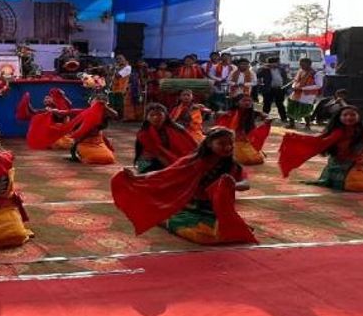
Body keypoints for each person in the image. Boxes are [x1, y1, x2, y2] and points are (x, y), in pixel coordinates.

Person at [111, 127, 258, 245]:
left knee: (236, 232)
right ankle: (165, 219)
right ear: (209, 144)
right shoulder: (194, 161)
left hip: (216, 209)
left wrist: (233, 185)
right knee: (204, 237)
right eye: (221, 144)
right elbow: (167, 173)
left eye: (230, 144)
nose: (228, 147)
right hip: (192, 207)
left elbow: (246, 184)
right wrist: (137, 177)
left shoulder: (232, 165)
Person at [133, 103, 198, 173]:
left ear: (165, 116)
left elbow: (191, 147)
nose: (155, 117)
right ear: (147, 117)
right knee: (143, 171)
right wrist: (172, 168)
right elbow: (157, 154)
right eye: (152, 115)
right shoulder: (143, 133)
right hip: (151, 161)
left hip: (176, 159)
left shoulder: (177, 129)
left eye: (159, 114)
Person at [215, 93, 272, 166]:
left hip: (244, 141)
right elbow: (219, 116)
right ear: (236, 103)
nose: (247, 103)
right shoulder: (231, 113)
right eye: (244, 101)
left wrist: (267, 120)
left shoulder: (252, 113)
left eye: (249, 101)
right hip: (231, 141)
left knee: (257, 159)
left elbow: (265, 116)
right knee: (246, 160)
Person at [16, 89, 80, 150]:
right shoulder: (49, 109)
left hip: (62, 134)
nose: (45, 100)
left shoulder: (61, 107)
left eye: (47, 98)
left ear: (53, 99)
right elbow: (34, 112)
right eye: (45, 98)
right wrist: (27, 102)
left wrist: (55, 112)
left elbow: (63, 117)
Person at [70, 95, 119, 165]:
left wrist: (105, 107)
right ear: (90, 102)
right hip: (84, 140)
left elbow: (116, 115)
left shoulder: (105, 113)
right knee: (91, 157)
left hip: (97, 140)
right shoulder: (84, 112)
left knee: (108, 158)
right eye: (96, 102)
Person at [285, 57, 323, 129]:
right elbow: (296, 80)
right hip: (296, 92)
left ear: (309, 64)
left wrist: (303, 88)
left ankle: (307, 125)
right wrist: (294, 86)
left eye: (303, 65)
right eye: (300, 65)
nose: (301, 66)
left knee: (305, 109)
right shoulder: (300, 71)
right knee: (291, 107)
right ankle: (291, 124)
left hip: (308, 95)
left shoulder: (316, 73)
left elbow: (319, 85)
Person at [257, 56, 289, 122]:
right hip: (269, 89)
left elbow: (285, 77)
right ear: (271, 63)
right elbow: (257, 75)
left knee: (280, 104)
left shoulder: (281, 69)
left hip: (279, 89)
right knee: (267, 104)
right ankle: (264, 117)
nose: (277, 64)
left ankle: (284, 118)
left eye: (278, 62)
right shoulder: (265, 69)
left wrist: (285, 86)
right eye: (276, 62)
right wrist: (263, 68)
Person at [109, 55, 132, 119]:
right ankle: (115, 117)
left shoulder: (128, 67)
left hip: (122, 88)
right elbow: (110, 75)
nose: (119, 60)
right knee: (114, 103)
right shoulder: (118, 67)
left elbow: (118, 75)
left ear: (124, 59)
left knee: (120, 104)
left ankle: (120, 117)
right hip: (114, 88)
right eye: (117, 59)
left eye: (120, 59)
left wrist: (114, 68)